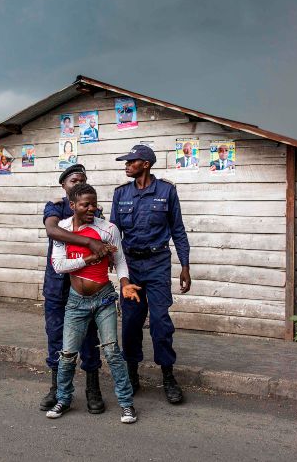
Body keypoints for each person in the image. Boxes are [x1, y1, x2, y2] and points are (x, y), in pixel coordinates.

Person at [47, 183, 141, 423]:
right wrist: (89, 257)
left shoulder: (108, 229)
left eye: (94, 203)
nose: (91, 208)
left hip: (104, 298)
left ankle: (126, 404)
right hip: (76, 302)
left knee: (112, 351)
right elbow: (59, 266)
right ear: (72, 206)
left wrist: (124, 283)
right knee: (67, 354)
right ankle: (63, 399)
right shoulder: (63, 230)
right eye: (85, 204)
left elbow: (120, 261)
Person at [110, 144, 192, 404]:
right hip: (131, 265)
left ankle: (167, 375)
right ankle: (132, 374)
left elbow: (178, 230)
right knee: (132, 322)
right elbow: (113, 233)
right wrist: (113, 262)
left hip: (158, 263)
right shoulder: (121, 193)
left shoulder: (167, 191)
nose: (126, 165)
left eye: (131, 161)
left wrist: (185, 266)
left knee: (160, 322)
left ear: (145, 164)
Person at [41, 164, 111, 414]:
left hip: (85, 286)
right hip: (57, 285)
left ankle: (93, 389)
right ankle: (57, 390)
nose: (78, 184)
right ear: (63, 186)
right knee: (56, 337)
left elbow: (107, 240)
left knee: (89, 338)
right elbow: (53, 230)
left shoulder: (93, 211)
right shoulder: (55, 207)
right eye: (73, 181)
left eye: (82, 180)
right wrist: (88, 241)